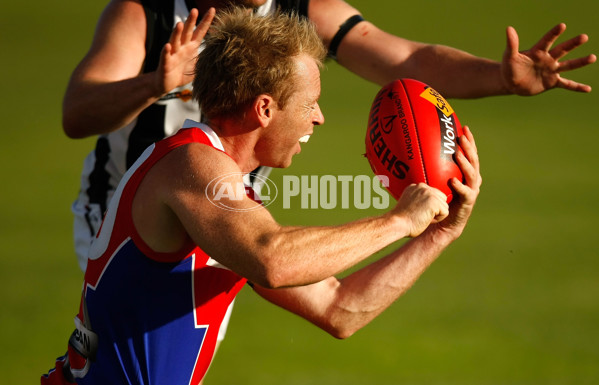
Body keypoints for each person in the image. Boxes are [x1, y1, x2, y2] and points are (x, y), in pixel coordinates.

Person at [43, 8, 482, 384]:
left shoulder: (225, 196)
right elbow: (272, 259)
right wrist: (400, 221)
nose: (320, 119)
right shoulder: (192, 166)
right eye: (310, 103)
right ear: (265, 109)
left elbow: (339, 309)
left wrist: (439, 235)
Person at [64, 0, 595, 273]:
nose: (319, 119)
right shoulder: (150, 13)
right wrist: (152, 84)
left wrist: (498, 77)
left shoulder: (299, 9)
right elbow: (77, 112)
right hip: (123, 214)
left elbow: (405, 59)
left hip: (234, 208)